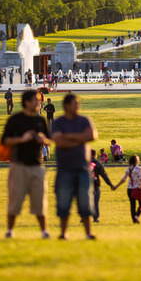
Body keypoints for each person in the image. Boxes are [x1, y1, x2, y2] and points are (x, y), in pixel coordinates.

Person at [0, 89, 52, 239]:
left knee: (40, 201)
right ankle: (10, 231)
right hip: (19, 166)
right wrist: (22, 139)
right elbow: (5, 141)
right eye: (36, 100)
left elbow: (49, 140)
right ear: (27, 102)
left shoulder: (40, 120)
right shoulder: (15, 120)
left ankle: (44, 231)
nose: (39, 103)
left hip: (37, 166)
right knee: (15, 201)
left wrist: (43, 139)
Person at [50, 93, 98, 239]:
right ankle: (64, 233)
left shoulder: (84, 120)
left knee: (85, 202)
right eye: (75, 104)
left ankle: (89, 233)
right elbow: (60, 142)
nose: (78, 107)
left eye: (78, 104)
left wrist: (69, 136)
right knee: (63, 203)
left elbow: (92, 136)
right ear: (66, 105)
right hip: (65, 169)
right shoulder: (58, 122)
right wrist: (81, 139)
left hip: (83, 169)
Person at [113, 154, 141, 223]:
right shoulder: (139, 168)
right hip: (138, 188)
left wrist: (116, 186)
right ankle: (137, 216)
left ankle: (134, 220)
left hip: (130, 189)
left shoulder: (129, 168)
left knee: (132, 205)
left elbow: (124, 179)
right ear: (137, 161)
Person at [89, 149, 115, 223]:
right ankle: (95, 218)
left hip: (86, 185)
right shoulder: (98, 164)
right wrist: (110, 185)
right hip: (96, 185)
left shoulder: (84, 163)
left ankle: (84, 216)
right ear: (95, 155)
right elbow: (104, 175)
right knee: (95, 202)